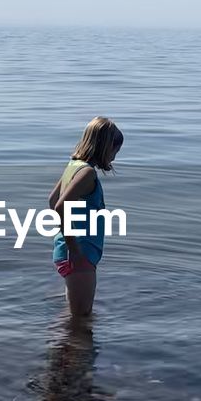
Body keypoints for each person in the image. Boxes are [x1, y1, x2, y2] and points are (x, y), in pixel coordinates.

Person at [47, 116, 123, 317]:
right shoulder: (87, 173)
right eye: (114, 151)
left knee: (74, 316)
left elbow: (52, 199)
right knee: (82, 319)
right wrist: (74, 247)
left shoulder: (73, 166)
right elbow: (60, 205)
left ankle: (60, 346)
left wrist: (66, 240)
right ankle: (71, 348)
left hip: (69, 254)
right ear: (104, 146)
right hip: (79, 256)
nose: (114, 157)